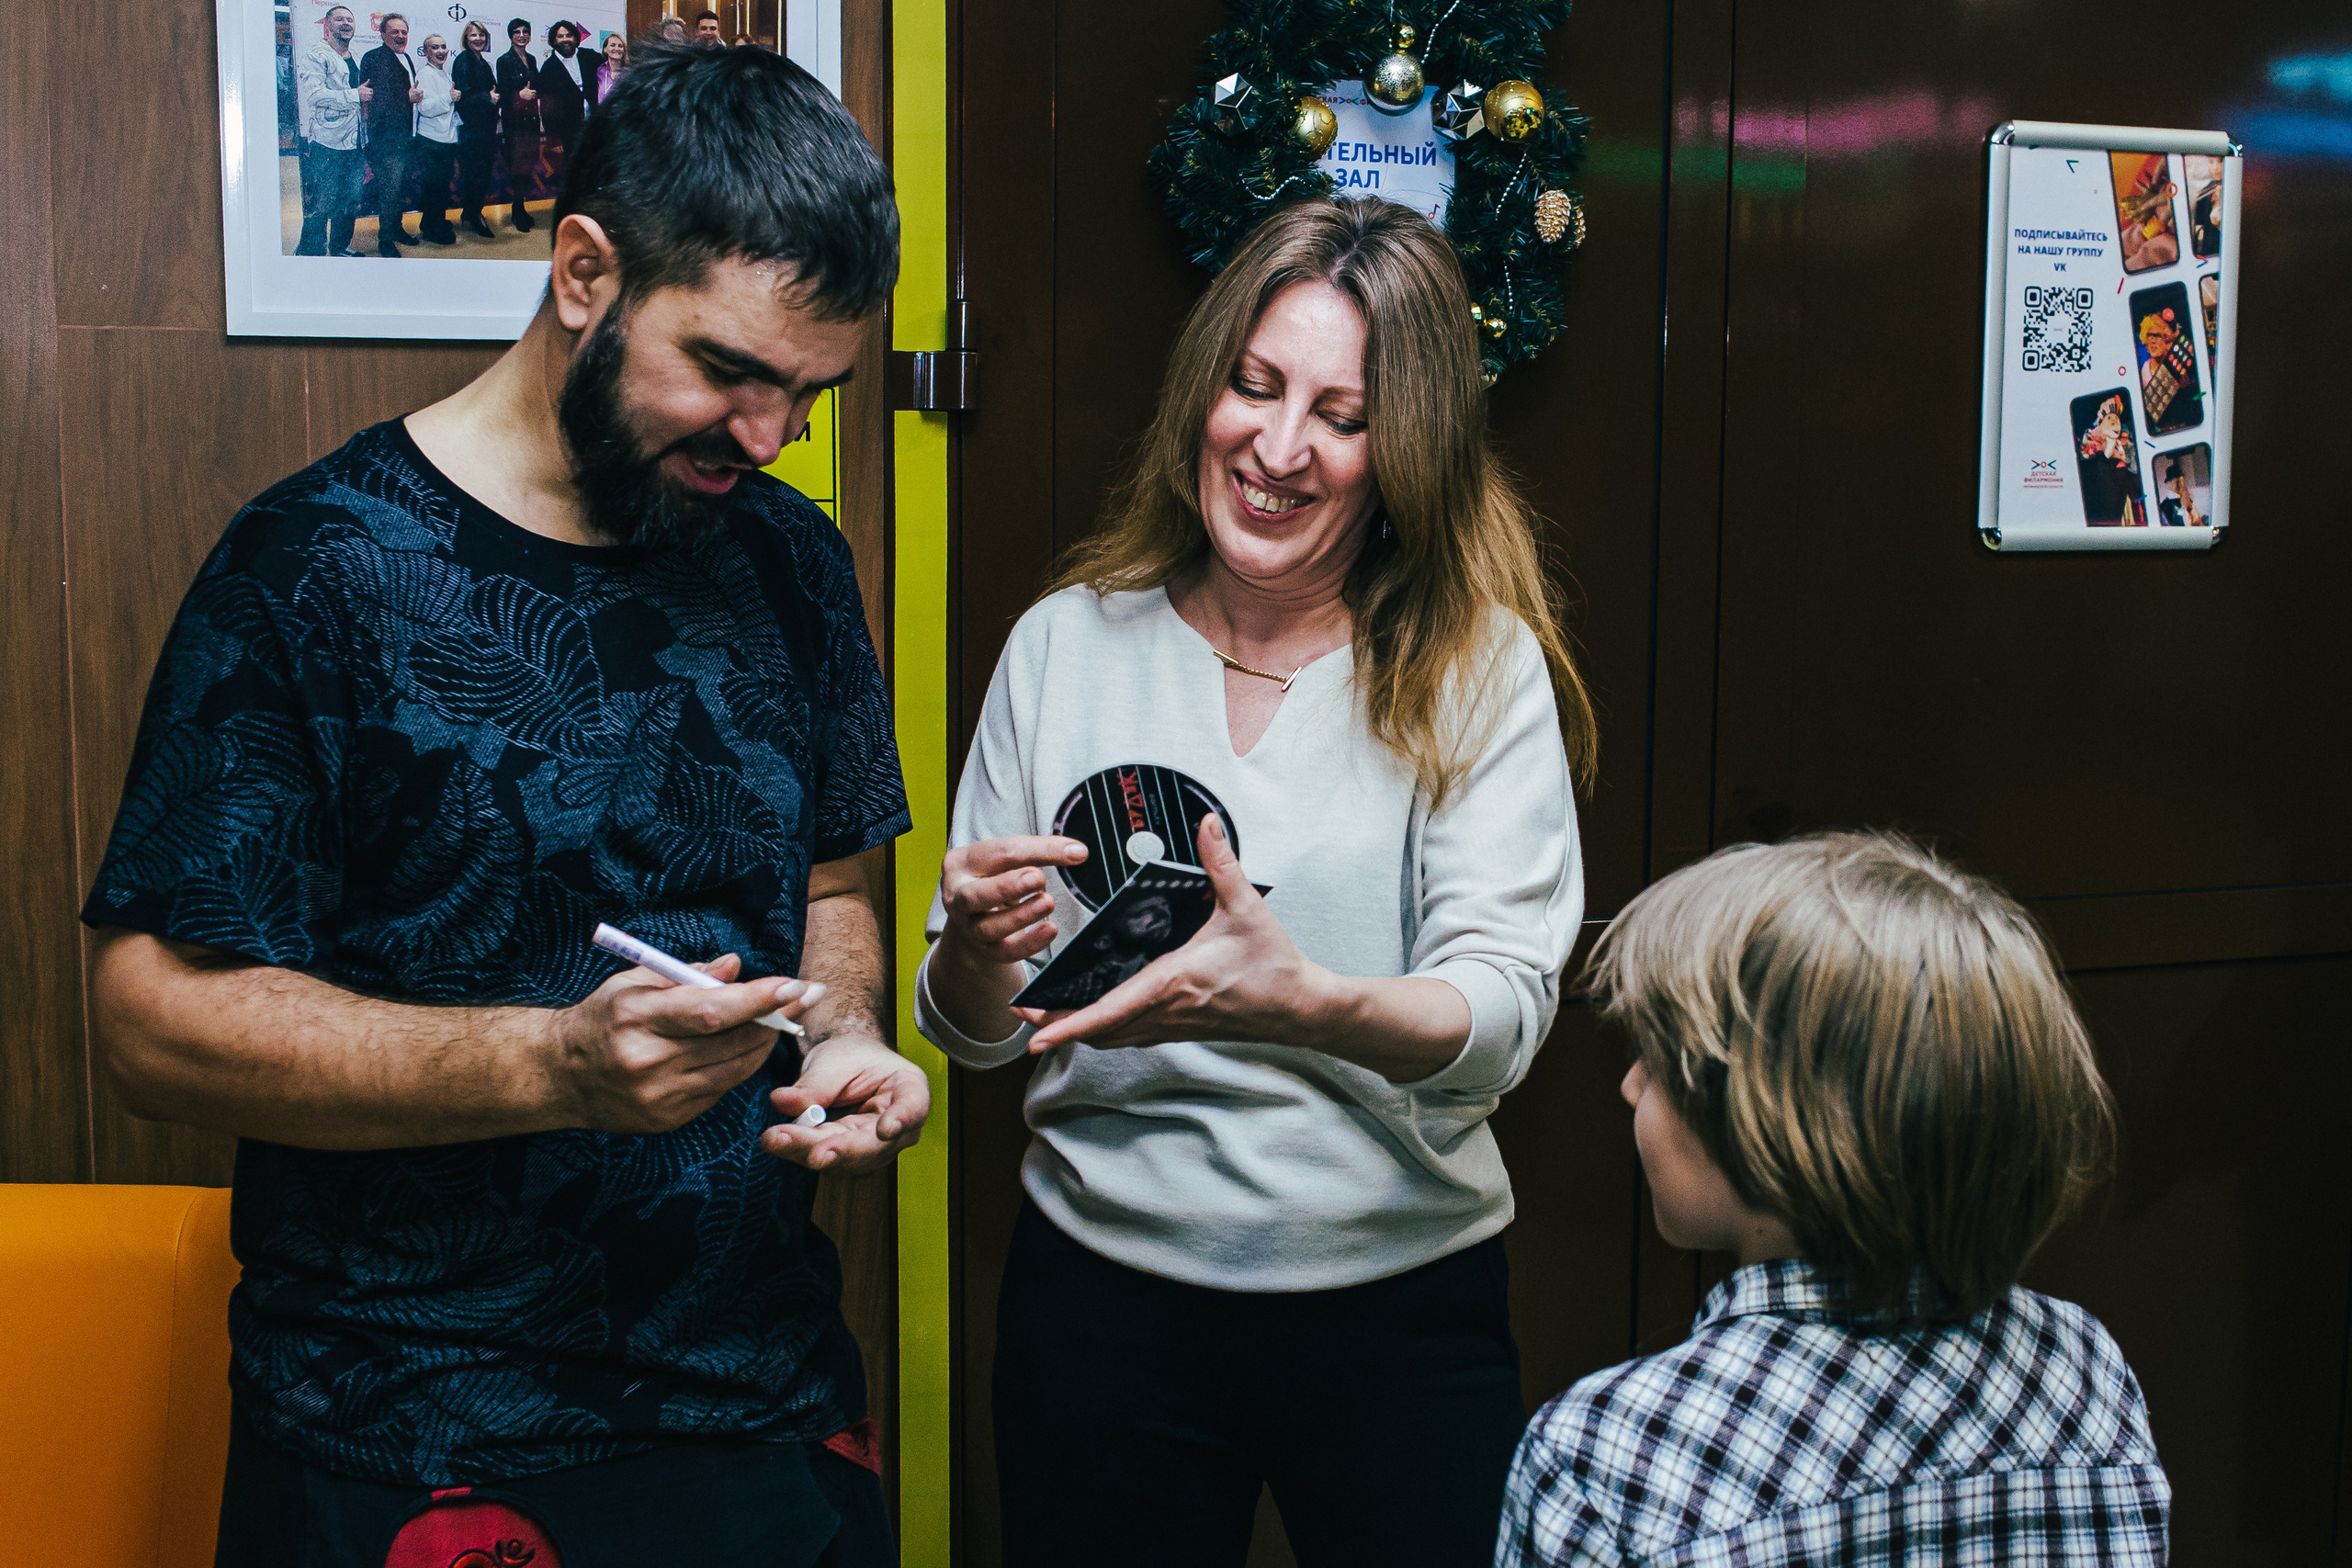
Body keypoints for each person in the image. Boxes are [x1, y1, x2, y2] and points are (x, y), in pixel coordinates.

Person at [85, 45, 917, 1567]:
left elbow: (835, 891)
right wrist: (551, 1066)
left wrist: (846, 1038)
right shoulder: (311, 568)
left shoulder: (793, 559)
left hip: (762, 1412)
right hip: (410, 1433)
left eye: (811, 393)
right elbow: (148, 1016)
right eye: (731, 372)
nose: (772, 436)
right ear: (586, 271)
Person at [917, 196, 1597, 1567]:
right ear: (1204, 389)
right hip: (1100, 1310)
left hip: (1399, 1312)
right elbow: (973, 1031)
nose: (1279, 447)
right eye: (1256, 385)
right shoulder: (1065, 645)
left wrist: (1307, 1002)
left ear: (1403, 448)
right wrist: (978, 957)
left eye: (1341, 416)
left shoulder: (1478, 667)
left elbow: (1504, 1017)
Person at [1497, 832, 2171, 1566]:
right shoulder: (2082, 1369)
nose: (1630, 1084)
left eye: (1659, 1056)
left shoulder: (1604, 1458)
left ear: (1773, 1121)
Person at [293, 4, 369, 256]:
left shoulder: (357, 56)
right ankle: (309, 253)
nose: (346, 23)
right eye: (339, 19)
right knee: (321, 202)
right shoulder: (315, 55)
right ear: (327, 25)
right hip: (328, 142)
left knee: (349, 201)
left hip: (355, 142)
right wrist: (354, 95)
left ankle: (340, 248)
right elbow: (314, 95)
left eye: (350, 19)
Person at [358, 12, 423, 256]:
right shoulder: (373, 57)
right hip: (386, 138)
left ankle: (396, 229)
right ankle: (385, 240)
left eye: (404, 32)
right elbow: (376, 97)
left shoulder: (406, 57)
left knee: (401, 187)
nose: (400, 36)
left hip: (406, 136)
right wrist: (406, 97)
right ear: (383, 34)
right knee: (390, 189)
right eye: (394, 31)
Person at [536, 20, 597, 204]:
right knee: (572, 173)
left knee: (594, 168)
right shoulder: (549, 67)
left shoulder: (590, 57)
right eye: (560, 36)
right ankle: (574, 210)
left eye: (569, 35)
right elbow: (547, 107)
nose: (565, 40)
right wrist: (554, 138)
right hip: (568, 132)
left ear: (576, 38)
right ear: (554, 41)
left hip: (594, 127)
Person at [452, 18, 502, 238]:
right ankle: (473, 215)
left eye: (481, 35)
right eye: (473, 35)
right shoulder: (463, 60)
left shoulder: (482, 61)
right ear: (466, 39)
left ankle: (472, 212)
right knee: (474, 174)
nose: (478, 39)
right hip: (472, 130)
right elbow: (462, 95)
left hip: (486, 128)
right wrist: (487, 98)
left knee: (481, 174)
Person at [410, 33, 460, 244]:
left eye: (443, 46)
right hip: (431, 141)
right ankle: (432, 229)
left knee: (440, 188)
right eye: (435, 47)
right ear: (426, 52)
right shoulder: (425, 74)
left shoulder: (444, 73)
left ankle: (433, 222)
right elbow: (425, 108)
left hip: (446, 140)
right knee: (434, 188)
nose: (441, 51)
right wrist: (449, 97)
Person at [495, 17, 542, 231]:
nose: (522, 35)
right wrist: (519, 94)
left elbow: (538, 85)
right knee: (518, 166)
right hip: (515, 123)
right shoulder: (504, 60)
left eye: (525, 31)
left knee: (528, 164)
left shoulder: (532, 59)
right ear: (510, 36)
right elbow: (502, 93)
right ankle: (517, 211)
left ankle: (521, 206)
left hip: (532, 121)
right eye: (517, 32)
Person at [597, 29, 629, 98]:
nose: (617, 48)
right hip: (599, 108)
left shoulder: (629, 73)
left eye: (620, 46)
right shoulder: (599, 71)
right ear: (605, 49)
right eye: (612, 45)